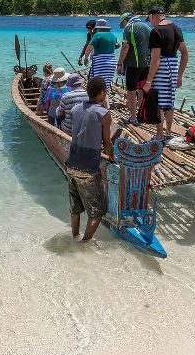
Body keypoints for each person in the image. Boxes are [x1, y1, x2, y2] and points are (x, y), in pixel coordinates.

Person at [64, 77, 113, 242]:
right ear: (102, 93)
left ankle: (75, 238)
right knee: (97, 213)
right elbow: (107, 145)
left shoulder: (76, 109)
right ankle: (84, 245)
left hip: (71, 164)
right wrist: (113, 157)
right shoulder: (104, 114)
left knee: (75, 208)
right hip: (89, 169)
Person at [142, 7, 188, 145]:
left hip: (161, 69)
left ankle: (160, 135)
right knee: (169, 103)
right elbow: (185, 53)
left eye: (149, 19)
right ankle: (168, 133)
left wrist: (149, 81)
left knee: (158, 104)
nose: (150, 22)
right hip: (173, 67)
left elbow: (156, 59)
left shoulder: (156, 31)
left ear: (153, 16)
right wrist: (180, 75)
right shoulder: (176, 28)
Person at [117, 12, 152, 124]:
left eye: (123, 23)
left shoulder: (129, 28)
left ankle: (132, 117)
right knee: (141, 90)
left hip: (133, 65)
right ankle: (141, 115)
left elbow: (125, 47)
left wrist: (119, 64)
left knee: (131, 91)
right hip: (147, 64)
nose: (124, 25)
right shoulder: (148, 27)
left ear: (126, 20)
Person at [84, 18, 118, 92]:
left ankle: (98, 102)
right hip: (112, 62)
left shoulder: (97, 35)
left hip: (101, 62)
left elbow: (89, 48)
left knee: (97, 86)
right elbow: (117, 45)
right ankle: (104, 101)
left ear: (98, 27)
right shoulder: (113, 35)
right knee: (105, 86)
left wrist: (85, 58)